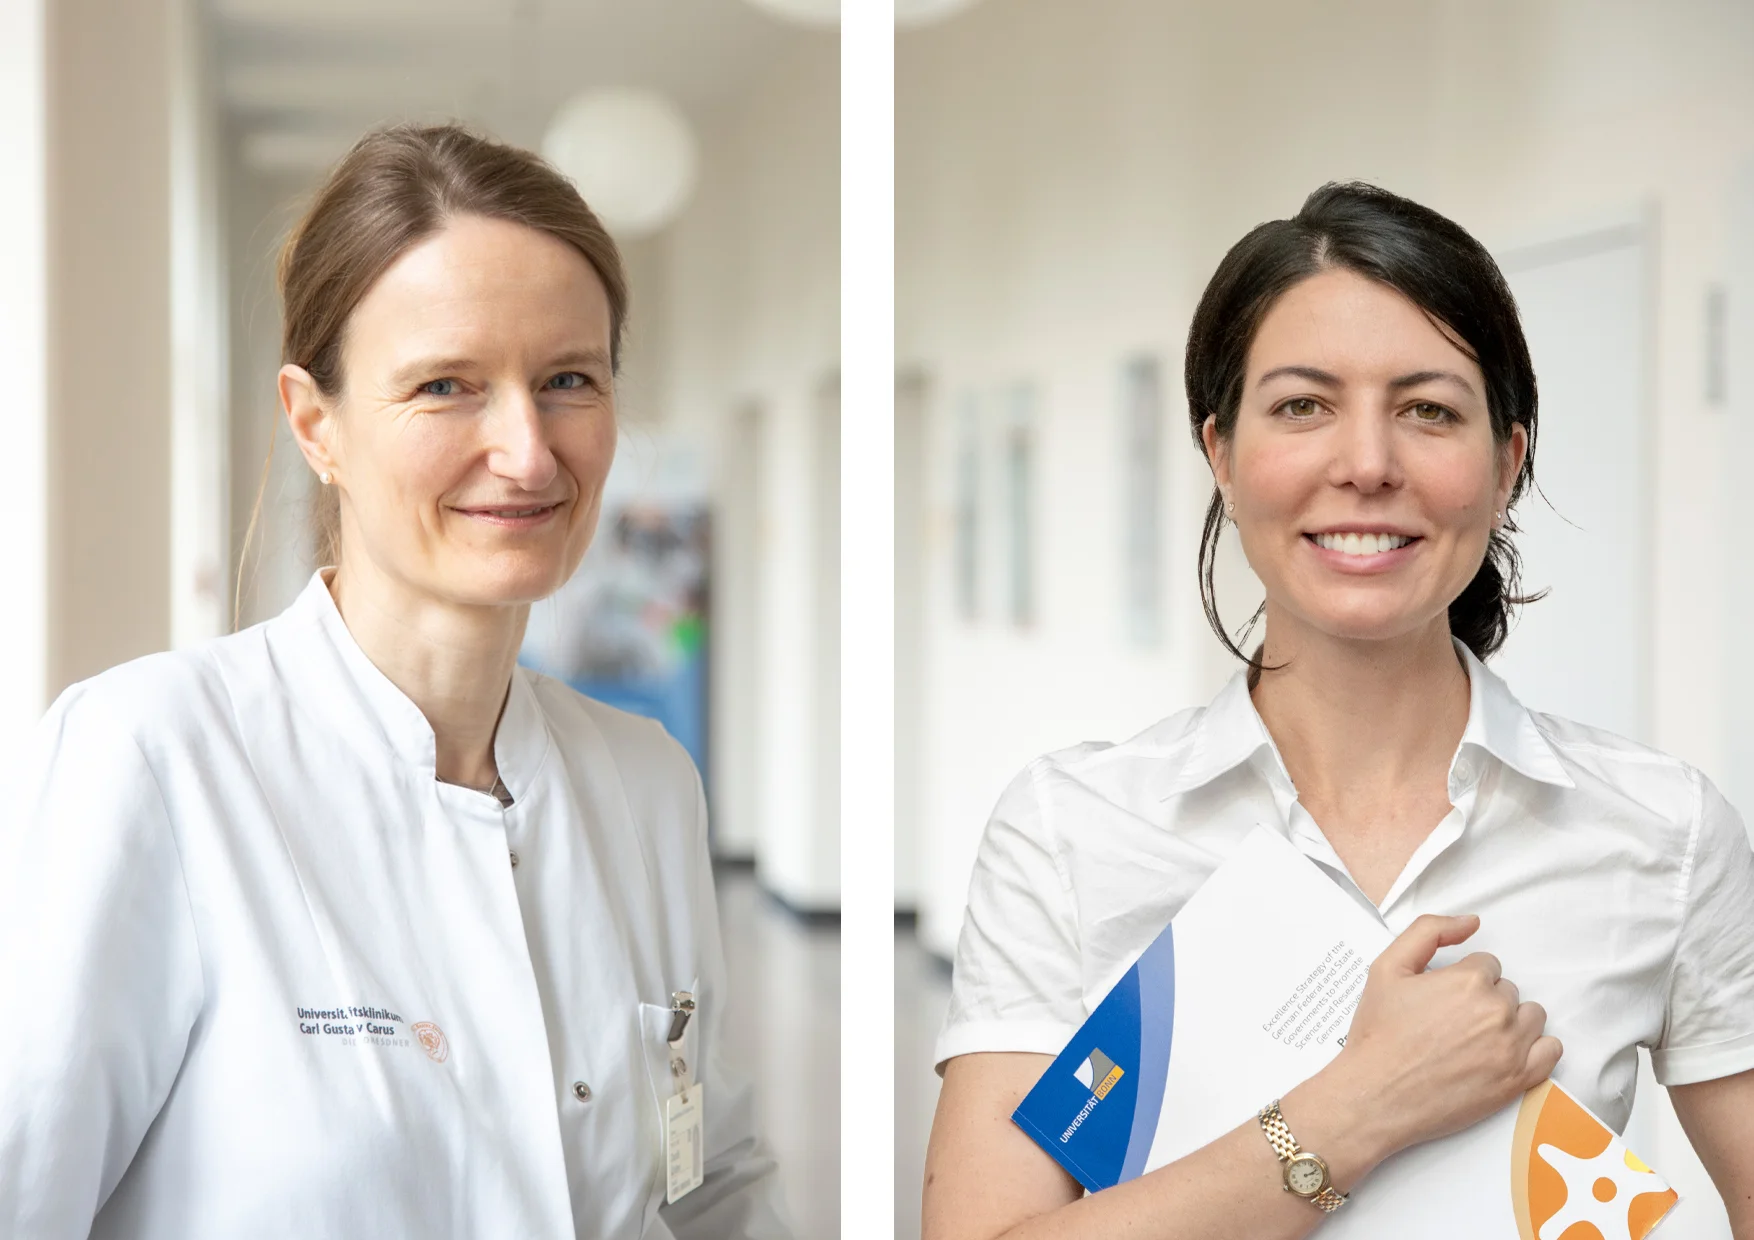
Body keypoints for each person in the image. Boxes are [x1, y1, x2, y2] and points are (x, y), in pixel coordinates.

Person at [0, 123, 791, 1240]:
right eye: (445, 385)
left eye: (568, 378)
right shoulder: (148, 758)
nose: (525, 450)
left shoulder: (645, 780)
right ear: (314, 421)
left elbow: (711, 1183)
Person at [922, 183, 1754, 1239]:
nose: (1365, 463)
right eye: (1302, 405)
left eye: (1428, 409)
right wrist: (1355, 1109)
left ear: (1505, 463)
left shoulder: (1659, 831)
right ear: (1219, 454)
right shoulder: (1069, 827)